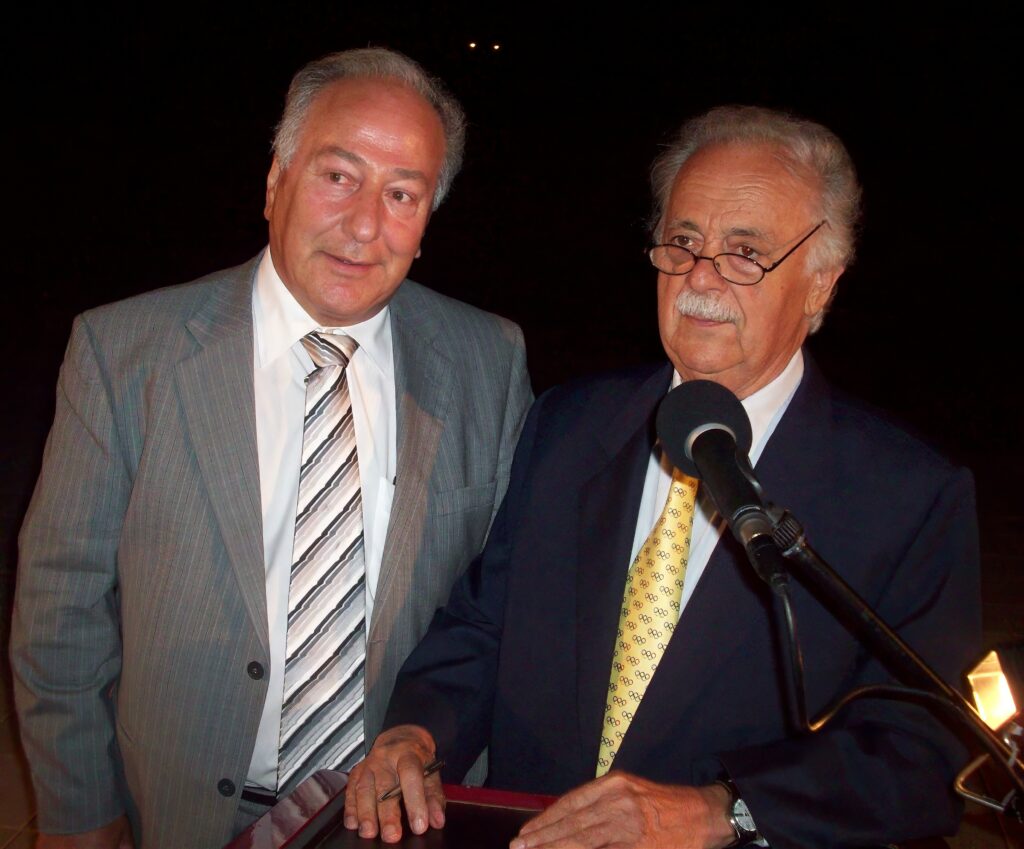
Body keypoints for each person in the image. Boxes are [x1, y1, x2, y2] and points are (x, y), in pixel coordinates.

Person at [345, 106, 981, 848]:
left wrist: (725, 809)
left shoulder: (906, 495)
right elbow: (485, 627)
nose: (700, 277)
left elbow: (922, 752)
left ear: (820, 285)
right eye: (683, 242)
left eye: (745, 252)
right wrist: (419, 731)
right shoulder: (568, 426)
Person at [10, 47, 532, 849]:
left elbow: (499, 602)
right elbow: (62, 605)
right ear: (274, 182)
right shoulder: (127, 353)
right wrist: (80, 813)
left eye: (402, 193)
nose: (365, 224)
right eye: (338, 175)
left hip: (396, 815)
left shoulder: (488, 361)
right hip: (179, 810)